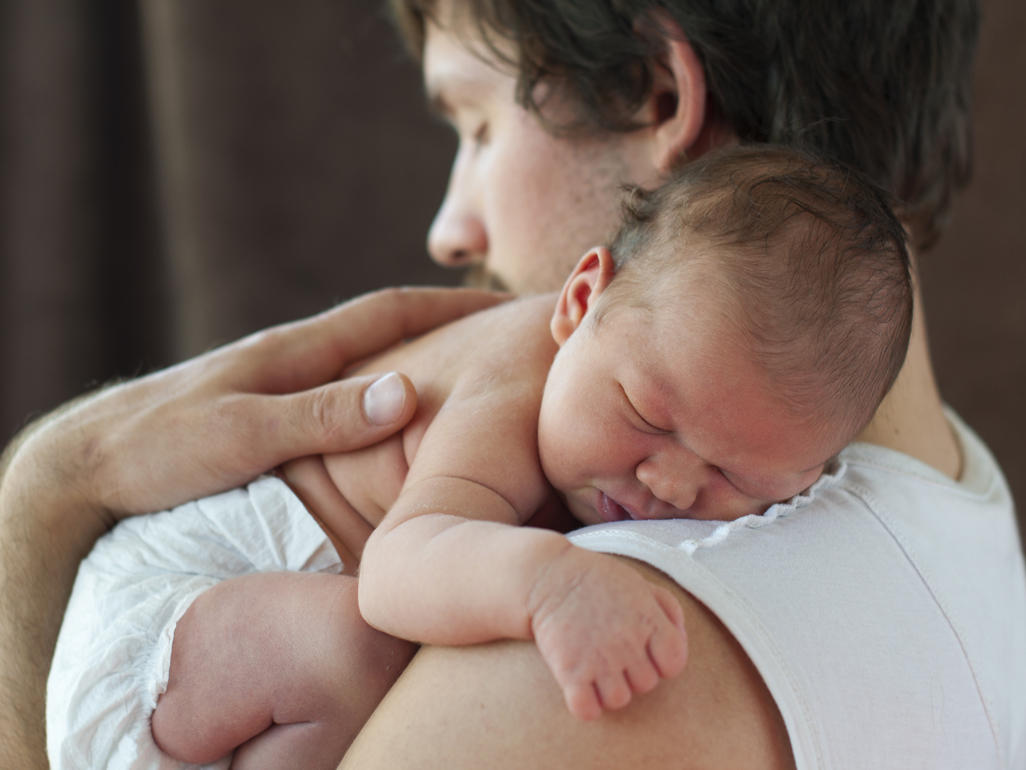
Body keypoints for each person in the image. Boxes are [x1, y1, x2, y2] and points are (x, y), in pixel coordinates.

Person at [2, 0, 1023, 768]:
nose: (452, 231)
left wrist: (38, 512)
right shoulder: (960, 498)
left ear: (661, 97)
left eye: (480, 123)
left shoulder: (593, 676)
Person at [47, 146, 914, 769]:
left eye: (742, 480)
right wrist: (548, 582)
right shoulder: (513, 387)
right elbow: (398, 568)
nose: (670, 484)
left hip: (245, 650)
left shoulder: (653, 385)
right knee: (352, 648)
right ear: (581, 302)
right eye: (648, 415)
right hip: (164, 615)